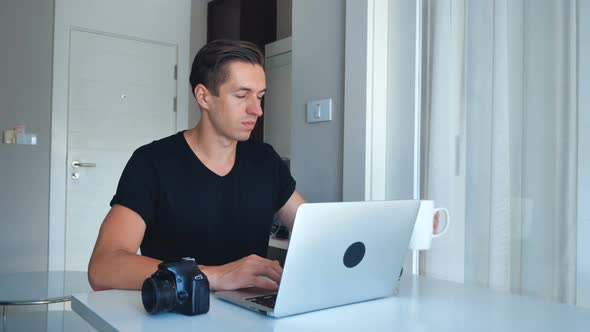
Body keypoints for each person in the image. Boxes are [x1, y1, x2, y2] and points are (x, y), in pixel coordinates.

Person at [88, 39, 305, 292]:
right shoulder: (152, 162)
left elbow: (315, 231)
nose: (257, 110)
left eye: (260, 97)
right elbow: (103, 268)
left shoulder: (265, 160)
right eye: (242, 95)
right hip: (177, 316)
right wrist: (214, 276)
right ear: (203, 96)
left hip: (251, 314)